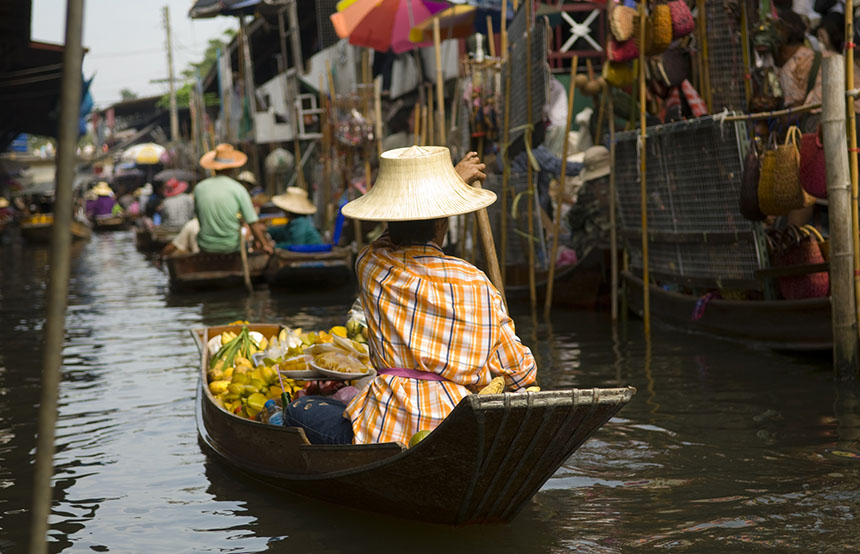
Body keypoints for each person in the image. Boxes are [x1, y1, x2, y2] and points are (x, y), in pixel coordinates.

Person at [283, 146, 538, 445]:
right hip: (456, 425)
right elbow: (521, 372)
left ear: (389, 220)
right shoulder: (477, 281)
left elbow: (384, 242)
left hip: (383, 429)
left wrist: (452, 180)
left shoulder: (373, 266)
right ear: (442, 222)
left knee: (297, 410)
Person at [193, 144, 273, 255]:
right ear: (232, 167)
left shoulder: (199, 188)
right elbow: (252, 222)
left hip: (206, 246)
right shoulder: (238, 189)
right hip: (232, 247)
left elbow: (199, 217)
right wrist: (265, 245)